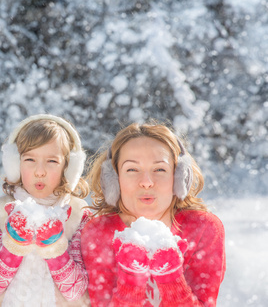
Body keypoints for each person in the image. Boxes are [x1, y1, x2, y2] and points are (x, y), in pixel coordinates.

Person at [81, 121, 226, 306]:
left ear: (179, 177)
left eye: (160, 169)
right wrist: (131, 281)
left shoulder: (204, 229)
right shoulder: (98, 232)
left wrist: (171, 279)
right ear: (114, 180)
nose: (147, 182)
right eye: (132, 169)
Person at [0, 114, 92, 306]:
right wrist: (13, 246)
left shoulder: (78, 217)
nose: (40, 171)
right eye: (30, 159)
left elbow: (77, 293)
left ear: (68, 168)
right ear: (15, 164)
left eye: (52, 161)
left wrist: (54, 248)